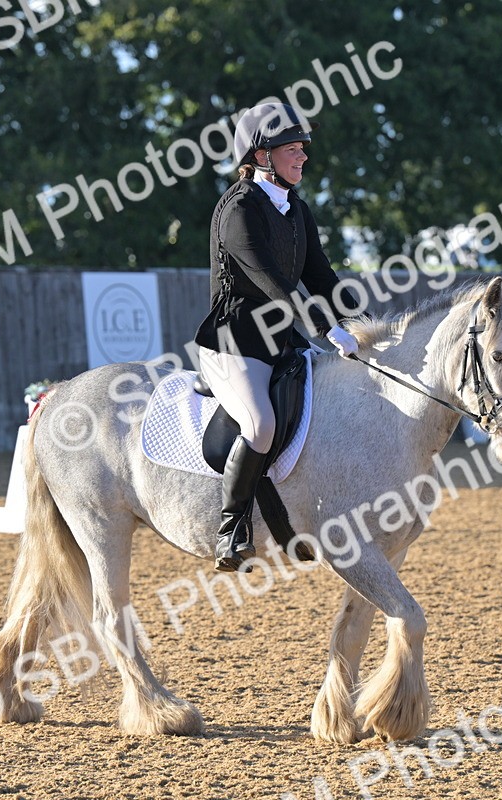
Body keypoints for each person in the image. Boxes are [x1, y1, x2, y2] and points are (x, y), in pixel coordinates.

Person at [193, 102, 360, 572]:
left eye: (303, 148)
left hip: (281, 341)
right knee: (261, 425)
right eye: (292, 148)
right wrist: (327, 328)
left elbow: (322, 277)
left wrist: (363, 325)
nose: (303, 156)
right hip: (233, 343)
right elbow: (275, 284)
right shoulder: (238, 210)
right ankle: (231, 529)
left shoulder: (296, 210)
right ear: (261, 155)